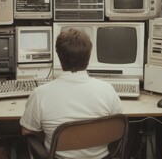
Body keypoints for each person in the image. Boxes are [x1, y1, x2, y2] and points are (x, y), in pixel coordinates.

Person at [20, 28, 123, 158]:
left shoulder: (40, 94)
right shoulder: (107, 90)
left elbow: (27, 131)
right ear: (88, 56)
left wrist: (49, 136)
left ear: (59, 55)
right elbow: (118, 127)